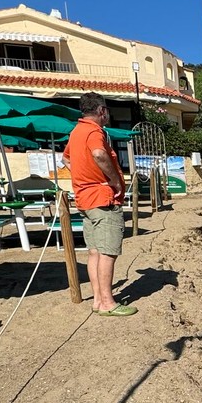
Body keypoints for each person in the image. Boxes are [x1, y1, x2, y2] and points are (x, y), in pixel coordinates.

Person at [62, 92, 137, 316]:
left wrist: (83, 175)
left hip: (85, 199)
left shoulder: (76, 132)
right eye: (107, 111)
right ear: (101, 111)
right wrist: (113, 182)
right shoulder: (94, 131)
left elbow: (65, 158)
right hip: (102, 200)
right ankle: (107, 302)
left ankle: (97, 299)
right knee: (107, 252)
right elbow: (98, 154)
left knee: (94, 252)